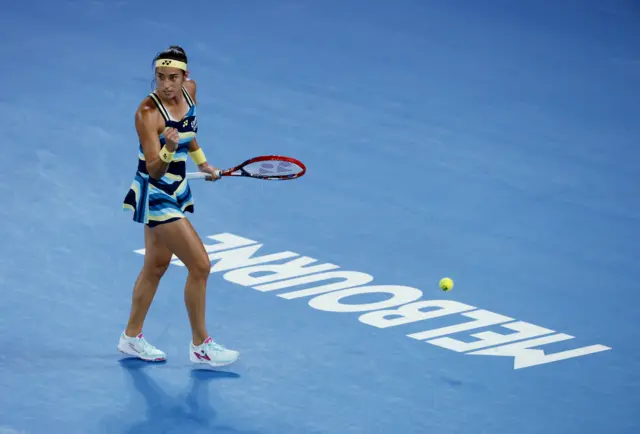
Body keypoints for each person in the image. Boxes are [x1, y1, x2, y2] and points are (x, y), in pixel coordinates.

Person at [120, 45, 238, 367]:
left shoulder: (190, 92)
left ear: (185, 77)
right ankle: (200, 345)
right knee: (200, 265)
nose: (166, 85)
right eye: (160, 77)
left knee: (156, 266)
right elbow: (155, 168)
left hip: (178, 185)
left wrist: (205, 164)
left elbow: (191, 135)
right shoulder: (147, 113)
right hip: (156, 191)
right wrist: (169, 149)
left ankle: (130, 337)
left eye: (173, 77)